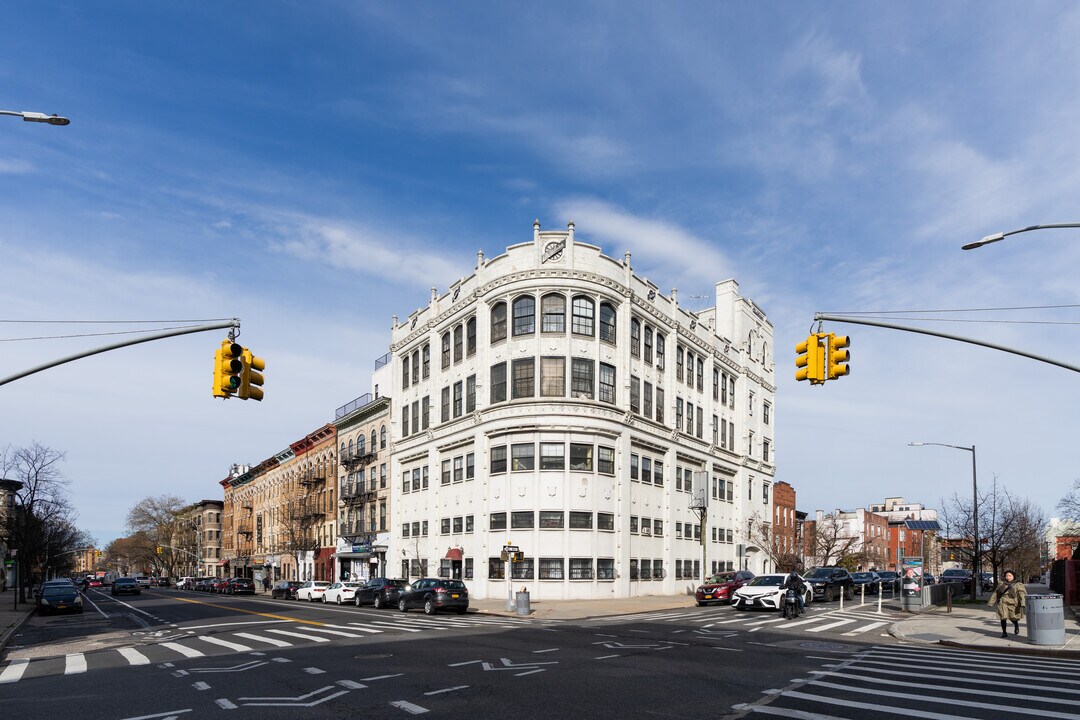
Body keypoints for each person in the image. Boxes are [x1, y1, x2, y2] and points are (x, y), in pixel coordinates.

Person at [988, 570, 1027, 638]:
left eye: (1010, 576)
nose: (1008, 577)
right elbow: (996, 593)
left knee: (1013, 618)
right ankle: (1004, 632)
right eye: (1006, 576)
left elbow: (1022, 594)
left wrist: (1023, 602)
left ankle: (1016, 625)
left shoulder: (1018, 584)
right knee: (1003, 617)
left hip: (1013, 603)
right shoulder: (1001, 584)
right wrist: (991, 602)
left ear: (1013, 576)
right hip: (1003, 602)